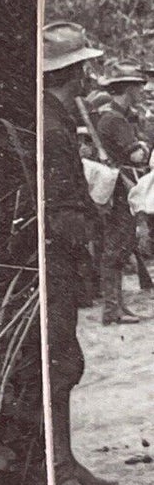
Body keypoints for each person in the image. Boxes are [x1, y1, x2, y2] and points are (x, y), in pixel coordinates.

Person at [42, 21, 118, 485]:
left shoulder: (58, 116)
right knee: (59, 364)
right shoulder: (50, 126)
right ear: (74, 70)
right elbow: (55, 203)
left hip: (61, 254)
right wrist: (92, 220)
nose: (91, 75)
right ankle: (57, 474)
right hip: (54, 256)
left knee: (65, 362)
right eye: (86, 66)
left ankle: (66, 462)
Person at [92, 64, 150, 326]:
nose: (142, 90)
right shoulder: (116, 120)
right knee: (117, 247)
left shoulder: (113, 118)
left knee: (118, 246)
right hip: (120, 191)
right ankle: (112, 309)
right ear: (128, 88)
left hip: (118, 189)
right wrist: (144, 147)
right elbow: (137, 155)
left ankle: (117, 308)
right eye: (138, 86)